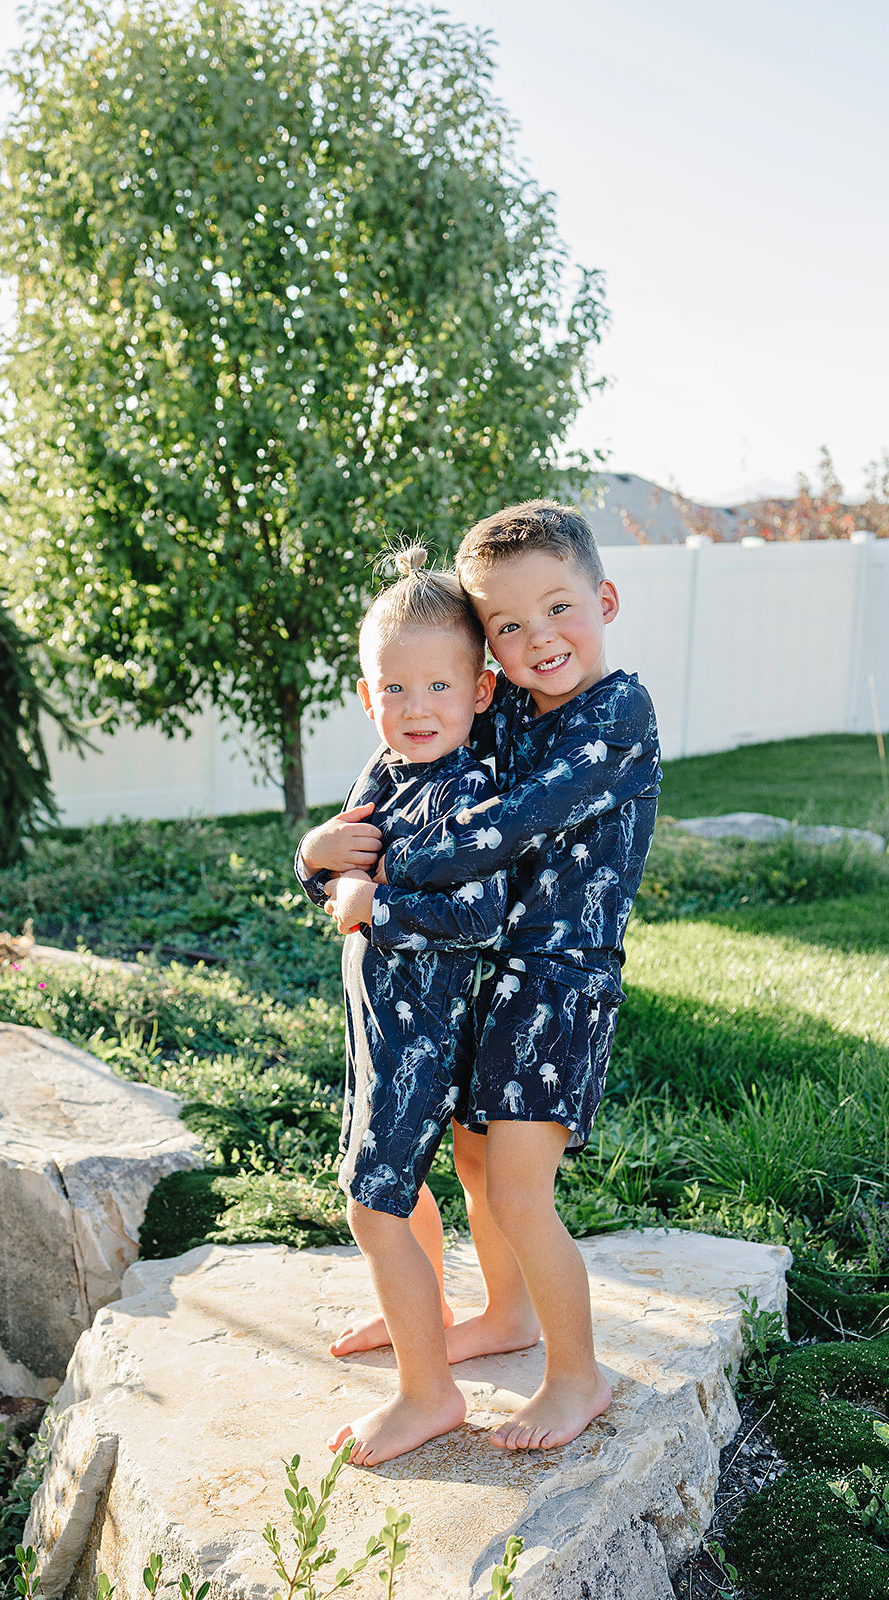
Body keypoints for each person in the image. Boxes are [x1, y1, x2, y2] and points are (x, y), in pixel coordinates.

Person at [319, 500, 660, 1452]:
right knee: (472, 1165)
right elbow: (415, 751)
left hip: (558, 982)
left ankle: (575, 1374)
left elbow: (505, 828)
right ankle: (505, 1319)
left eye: (557, 610)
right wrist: (331, 845)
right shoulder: (502, 700)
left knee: (517, 1191)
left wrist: (382, 871)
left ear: (605, 597)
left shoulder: (616, 713)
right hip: (485, 978)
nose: (536, 639)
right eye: (507, 626)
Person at [295, 547, 507, 1466]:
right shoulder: (386, 769)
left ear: (480, 691)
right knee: (403, 1186)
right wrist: (312, 857)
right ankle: (429, 1314)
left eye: (436, 686)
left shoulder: (468, 790)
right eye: (394, 687)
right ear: (365, 691)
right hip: (379, 1026)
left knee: (371, 1204)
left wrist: (375, 906)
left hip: (430, 1031)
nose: (415, 708)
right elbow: (337, 873)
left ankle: (429, 1394)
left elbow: (478, 914)